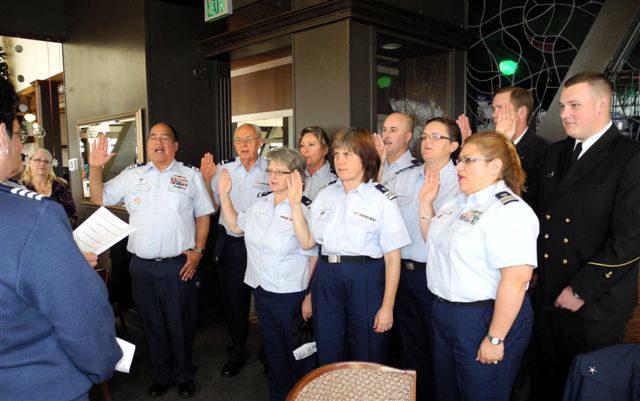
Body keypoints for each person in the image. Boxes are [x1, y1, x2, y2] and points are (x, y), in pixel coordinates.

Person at [0, 78, 122, 401]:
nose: (21, 146)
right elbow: (86, 328)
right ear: (2, 135)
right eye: (18, 133)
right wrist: (104, 364)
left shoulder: (50, 201)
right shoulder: (33, 218)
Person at [530, 71, 640, 401]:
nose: (565, 114)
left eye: (574, 105)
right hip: (548, 294)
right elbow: (535, 215)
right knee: (547, 384)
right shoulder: (556, 153)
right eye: (563, 106)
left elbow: (631, 238)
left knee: (591, 391)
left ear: (603, 104)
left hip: (594, 304)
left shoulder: (630, 156)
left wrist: (581, 289)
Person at [89, 122, 213, 398]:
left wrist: (199, 251)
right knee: (152, 324)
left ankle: (183, 374)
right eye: (153, 137)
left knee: (181, 323)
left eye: (165, 137)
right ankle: (162, 373)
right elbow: (99, 198)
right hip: (142, 267)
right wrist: (95, 168)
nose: (158, 142)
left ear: (175, 145)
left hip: (178, 265)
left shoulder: (189, 176)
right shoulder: (132, 175)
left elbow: (203, 214)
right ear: (147, 144)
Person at [419, 132, 539, 401]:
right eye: (460, 159)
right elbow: (435, 245)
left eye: (467, 160)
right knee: (447, 393)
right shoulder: (456, 203)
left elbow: (517, 279)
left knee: (481, 393)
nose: (458, 166)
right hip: (445, 312)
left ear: (495, 166)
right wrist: (425, 204)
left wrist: (495, 338)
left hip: (484, 317)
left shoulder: (508, 211)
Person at [291, 127, 411, 365]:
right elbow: (308, 242)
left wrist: (387, 306)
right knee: (328, 347)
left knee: (366, 350)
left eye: (348, 155)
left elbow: (392, 258)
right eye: (337, 154)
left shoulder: (380, 199)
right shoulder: (326, 195)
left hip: (364, 277)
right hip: (327, 277)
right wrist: (295, 205)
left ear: (365, 158)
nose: (340, 161)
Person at [217, 147, 316, 401]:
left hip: (290, 294)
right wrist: (225, 196)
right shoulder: (260, 202)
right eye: (270, 170)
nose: (271, 176)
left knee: (297, 353)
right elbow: (237, 227)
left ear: (295, 176)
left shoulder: (305, 209)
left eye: (279, 172)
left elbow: (314, 254)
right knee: (274, 353)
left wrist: (310, 295)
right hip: (261, 290)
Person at [384, 117, 461, 401]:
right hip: (403, 272)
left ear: (453, 145)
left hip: (436, 274)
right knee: (410, 347)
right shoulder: (405, 176)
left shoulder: (461, 181)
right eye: (425, 136)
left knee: (437, 348)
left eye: (436, 137)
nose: (427, 142)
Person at [200, 123, 270, 378]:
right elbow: (210, 206)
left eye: (248, 139)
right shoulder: (224, 169)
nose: (242, 144)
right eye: (238, 139)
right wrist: (208, 180)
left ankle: (269, 352)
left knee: (265, 301)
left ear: (260, 143)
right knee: (234, 302)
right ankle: (238, 352)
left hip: (264, 246)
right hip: (233, 247)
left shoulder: (273, 169)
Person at [457, 87, 550, 207]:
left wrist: (504, 142)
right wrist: (466, 147)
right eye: (493, 109)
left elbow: (525, 189)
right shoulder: (487, 144)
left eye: (500, 108)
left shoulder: (545, 150)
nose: (494, 115)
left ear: (521, 112)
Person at [21, 147, 79, 227]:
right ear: (29, 162)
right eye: (38, 160)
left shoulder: (60, 186)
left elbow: (73, 215)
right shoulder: (22, 188)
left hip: (59, 232)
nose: (42, 163)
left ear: (50, 165)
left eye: (46, 161)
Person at [373, 112, 419, 186]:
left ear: (407, 137)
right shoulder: (371, 166)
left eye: (393, 130)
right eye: (384, 129)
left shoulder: (418, 172)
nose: (386, 136)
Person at [298, 126, 336, 200]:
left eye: (311, 145)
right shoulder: (295, 176)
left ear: (325, 150)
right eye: (302, 145)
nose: (305, 150)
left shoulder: (336, 180)